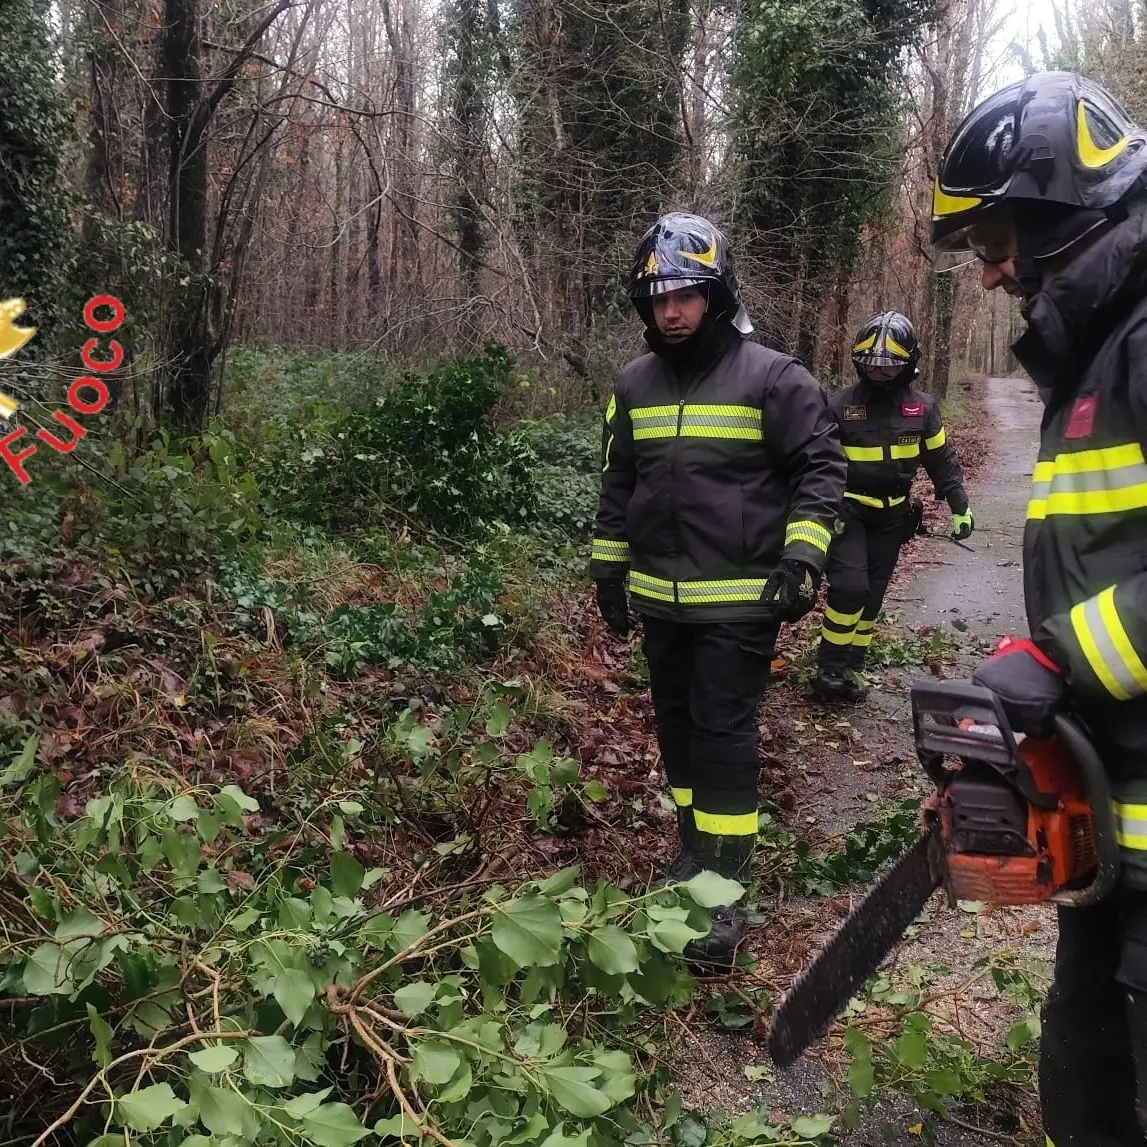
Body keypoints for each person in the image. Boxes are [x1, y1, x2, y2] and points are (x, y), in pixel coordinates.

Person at [932, 70, 1147, 1146]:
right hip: (1123, 832)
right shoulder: (1099, 350)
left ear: (1064, 207)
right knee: (1085, 1084)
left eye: (995, 238)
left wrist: (1063, 657)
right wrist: (1041, 663)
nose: (988, 270)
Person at [589, 211, 846, 966]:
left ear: (715, 294)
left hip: (739, 599)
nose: (670, 311)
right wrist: (607, 569)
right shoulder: (633, 383)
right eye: (657, 298)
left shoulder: (773, 376)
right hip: (659, 597)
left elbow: (821, 470)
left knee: (722, 732)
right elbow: (619, 480)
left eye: (684, 295)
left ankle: (725, 888)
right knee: (676, 728)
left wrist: (802, 559)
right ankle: (694, 850)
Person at [810, 312, 973, 703]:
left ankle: (853, 664)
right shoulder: (838, 405)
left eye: (889, 364)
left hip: (892, 518)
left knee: (872, 597)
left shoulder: (922, 409)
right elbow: (815, 462)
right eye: (871, 363)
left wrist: (959, 506)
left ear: (908, 363)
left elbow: (941, 459)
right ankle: (829, 668)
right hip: (846, 512)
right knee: (850, 588)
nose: (879, 370)